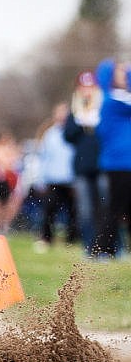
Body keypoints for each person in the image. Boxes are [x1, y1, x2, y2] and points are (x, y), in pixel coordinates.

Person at [63, 70, 104, 256]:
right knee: (85, 211)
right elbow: (67, 136)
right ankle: (90, 248)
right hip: (82, 168)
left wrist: (96, 123)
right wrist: (79, 122)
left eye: (90, 86)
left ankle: (109, 247)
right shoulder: (74, 111)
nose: (87, 90)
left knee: (105, 207)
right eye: (83, 86)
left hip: (102, 166)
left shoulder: (103, 108)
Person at [95, 58, 131, 258]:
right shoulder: (110, 101)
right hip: (119, 164)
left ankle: (113, 249)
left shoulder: (122, 99)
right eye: (120, 72)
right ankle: (103, 249)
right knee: (115, 208)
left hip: (125, 163)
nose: (124, 74)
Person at [33, 102, 78, 252]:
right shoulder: (50, 134)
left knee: (73, 212)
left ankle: (71, 240)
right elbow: (44, 158)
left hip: (70, 179)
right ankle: (46, 238)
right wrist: (41, 179)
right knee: (49, 210)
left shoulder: (75, 133)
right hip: (52, 179)